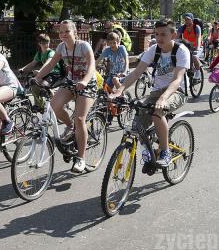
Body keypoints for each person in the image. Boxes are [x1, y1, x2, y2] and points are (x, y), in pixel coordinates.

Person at [110, 19, 190, 168]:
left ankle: (165, 152)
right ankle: (148, 152)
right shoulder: (154, 50)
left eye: (163, 34)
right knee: (137, 124)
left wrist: (163, 98)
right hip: (156, 92)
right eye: (157, 34)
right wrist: (119, 90)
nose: (159, 38)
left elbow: (177, 79)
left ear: (173, 35)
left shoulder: (181, 51)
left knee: (156, 111)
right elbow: (136, 73)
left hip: (176, 91)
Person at [34, 20, 97, 173]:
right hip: (70, 82)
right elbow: (50, 65)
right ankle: (71, 127)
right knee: (54, 106)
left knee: (80, 118)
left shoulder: (84, 46)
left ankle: (81, 159)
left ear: (75, 32)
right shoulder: (61, 47)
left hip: (87, 84)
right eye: (61, 32)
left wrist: (84, 80)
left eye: (67, 31)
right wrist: (36, 79)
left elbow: (91, 66)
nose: (63, 34)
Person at [19, 33, 64, 110]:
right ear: (39, 43)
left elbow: (48, 63)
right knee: (33, 85)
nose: (46, 45)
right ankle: (39, 105)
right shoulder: (39, 54)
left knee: (43, 85)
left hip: (55, 74)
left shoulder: (51, 52)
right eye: (43, 43)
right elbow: (33, 63)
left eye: (47, 42)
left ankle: (56, 104)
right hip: (46, 73)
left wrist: (40, 71)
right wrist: (23, 69)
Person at [177, 13, 201, 80]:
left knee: (194, 57)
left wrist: (197, 49)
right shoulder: (182, 27)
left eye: (188, 19)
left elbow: (198, 38)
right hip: (186, 47)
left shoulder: (196, 27)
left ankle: (198, 72)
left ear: (192, 20)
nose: (186, 21)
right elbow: (176, 38)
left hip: (196, 46)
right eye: (185, 19)